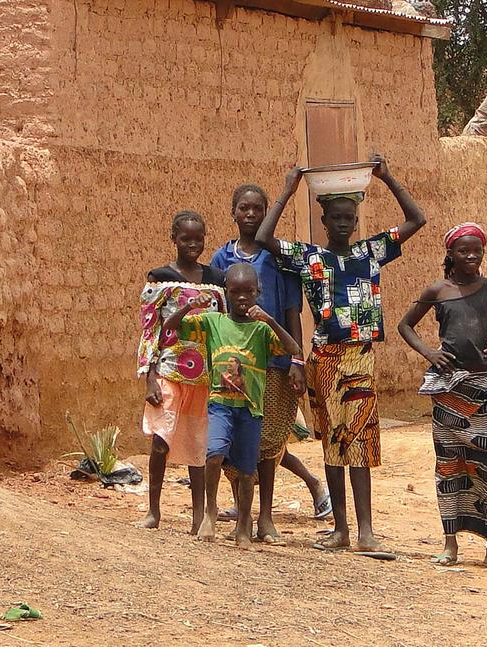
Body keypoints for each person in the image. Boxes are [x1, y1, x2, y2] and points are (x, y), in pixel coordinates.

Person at [257, 153, 426, 558]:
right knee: (333, 442)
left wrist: (388, 177)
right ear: (325, 221)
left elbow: (416, 220)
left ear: (356, 220)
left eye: (349, 217)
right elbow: (264, 239)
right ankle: (341, 529)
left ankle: (366, 531)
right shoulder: (310, 259)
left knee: (362, 440)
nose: (344, 223)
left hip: (361, 356)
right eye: (336, 217)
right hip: (326, 359)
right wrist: (288, 189)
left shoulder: (371, 252)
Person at [398, 223, 487, 570]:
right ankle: (450, 545)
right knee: (450, 468)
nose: (471, 257)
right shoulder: (438, 290)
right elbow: (406, 326)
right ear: (450, 254)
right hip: (449, 391)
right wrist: (430, 354)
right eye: (464, 251)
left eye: (476, 250)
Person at [209, 184, 331, 537]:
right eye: (243, 208)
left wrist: (296, 360)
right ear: (232, 212)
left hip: (275, 363)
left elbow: (293, 309)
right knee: (235, 436)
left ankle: (266, 516)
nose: (250, 214)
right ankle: (244, 512)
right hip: (234, 364)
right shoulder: (222, 259)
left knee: (268, 440)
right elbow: (217, 311)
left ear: (265, 213)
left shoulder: (279, 259)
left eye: (257, 209)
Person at [180, 262, 306, 547]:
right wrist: (190, 306)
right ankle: (210, 511)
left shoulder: (261, 331)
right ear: (226, 291)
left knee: (248, 471)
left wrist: (270, 320)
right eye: (235, 292)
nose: (241, 298)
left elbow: (292, 349)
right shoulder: (214, 322)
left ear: (257, 294)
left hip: (251, 411)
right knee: (213, 455)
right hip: (220, 405)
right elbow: (175, 329)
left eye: (248, 292)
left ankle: (243, 526)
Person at [136, 211, 227, 531]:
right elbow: (150, 331)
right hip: (169, 370)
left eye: (198, 238)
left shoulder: (217, 280)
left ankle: (198, 515)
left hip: (205, 378)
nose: (193, 244)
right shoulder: (160, 279)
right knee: (161, 439)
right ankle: (153, 510)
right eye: (186, 239)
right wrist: (149, 377)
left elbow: (224, 328)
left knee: (198, 446)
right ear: (173, 238)